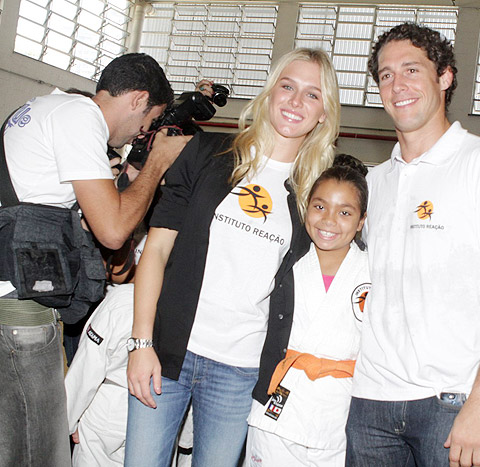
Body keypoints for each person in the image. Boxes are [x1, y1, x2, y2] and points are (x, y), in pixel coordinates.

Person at [125, 48, 340, 467]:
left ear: (323, 115)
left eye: (312, 95)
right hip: (166, 353)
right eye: (288, 86)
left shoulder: (314, 195)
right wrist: (141, 342)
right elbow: (155, 250)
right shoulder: (207, 153)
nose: (296, 102)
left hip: (239, 372)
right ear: (269, 92)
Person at [345, 22, 480, 467]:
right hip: (368, 402)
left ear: (445, 76)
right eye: (385, 75)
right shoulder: (373, 183)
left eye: (411, 70)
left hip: (452, 402)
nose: (397, 85)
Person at [0, 52, 187, 467]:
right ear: (139, 100)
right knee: (41, 448)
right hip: (20, 311)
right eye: (148, 120)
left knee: (16, 441)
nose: (140, 133)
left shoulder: (47, 106)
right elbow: (114, 229)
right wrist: (157, 162)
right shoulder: (79, 116)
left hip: (14, 298)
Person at [244, 154, 370, 466]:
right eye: (319, 206)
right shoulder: (287, 260)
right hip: (279, 406)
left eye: (345, 212)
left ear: (361, 221)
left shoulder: (372, 270)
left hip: (338, 414)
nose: (329, 220)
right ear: (306, 208)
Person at [65, 235, 147, 466]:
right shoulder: (193, 310)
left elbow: (87, 368)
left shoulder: (122, 300)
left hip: (108, 410)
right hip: (159, 412)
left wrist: (67, 422)